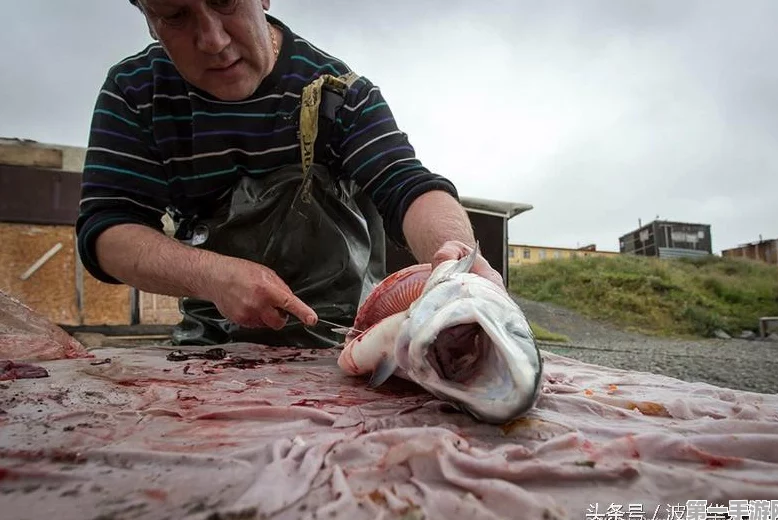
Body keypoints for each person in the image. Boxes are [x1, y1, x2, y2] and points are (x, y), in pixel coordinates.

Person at [76, 0, 505, 348]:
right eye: (174, 15)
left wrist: (459, 262)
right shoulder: (135, 92)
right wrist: (214, 275)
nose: (212, 40)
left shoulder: (339, 92)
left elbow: (407, 185)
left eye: (224, 1)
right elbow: (108, 230)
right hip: (212, 343)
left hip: (344, 342)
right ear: (149, 21)